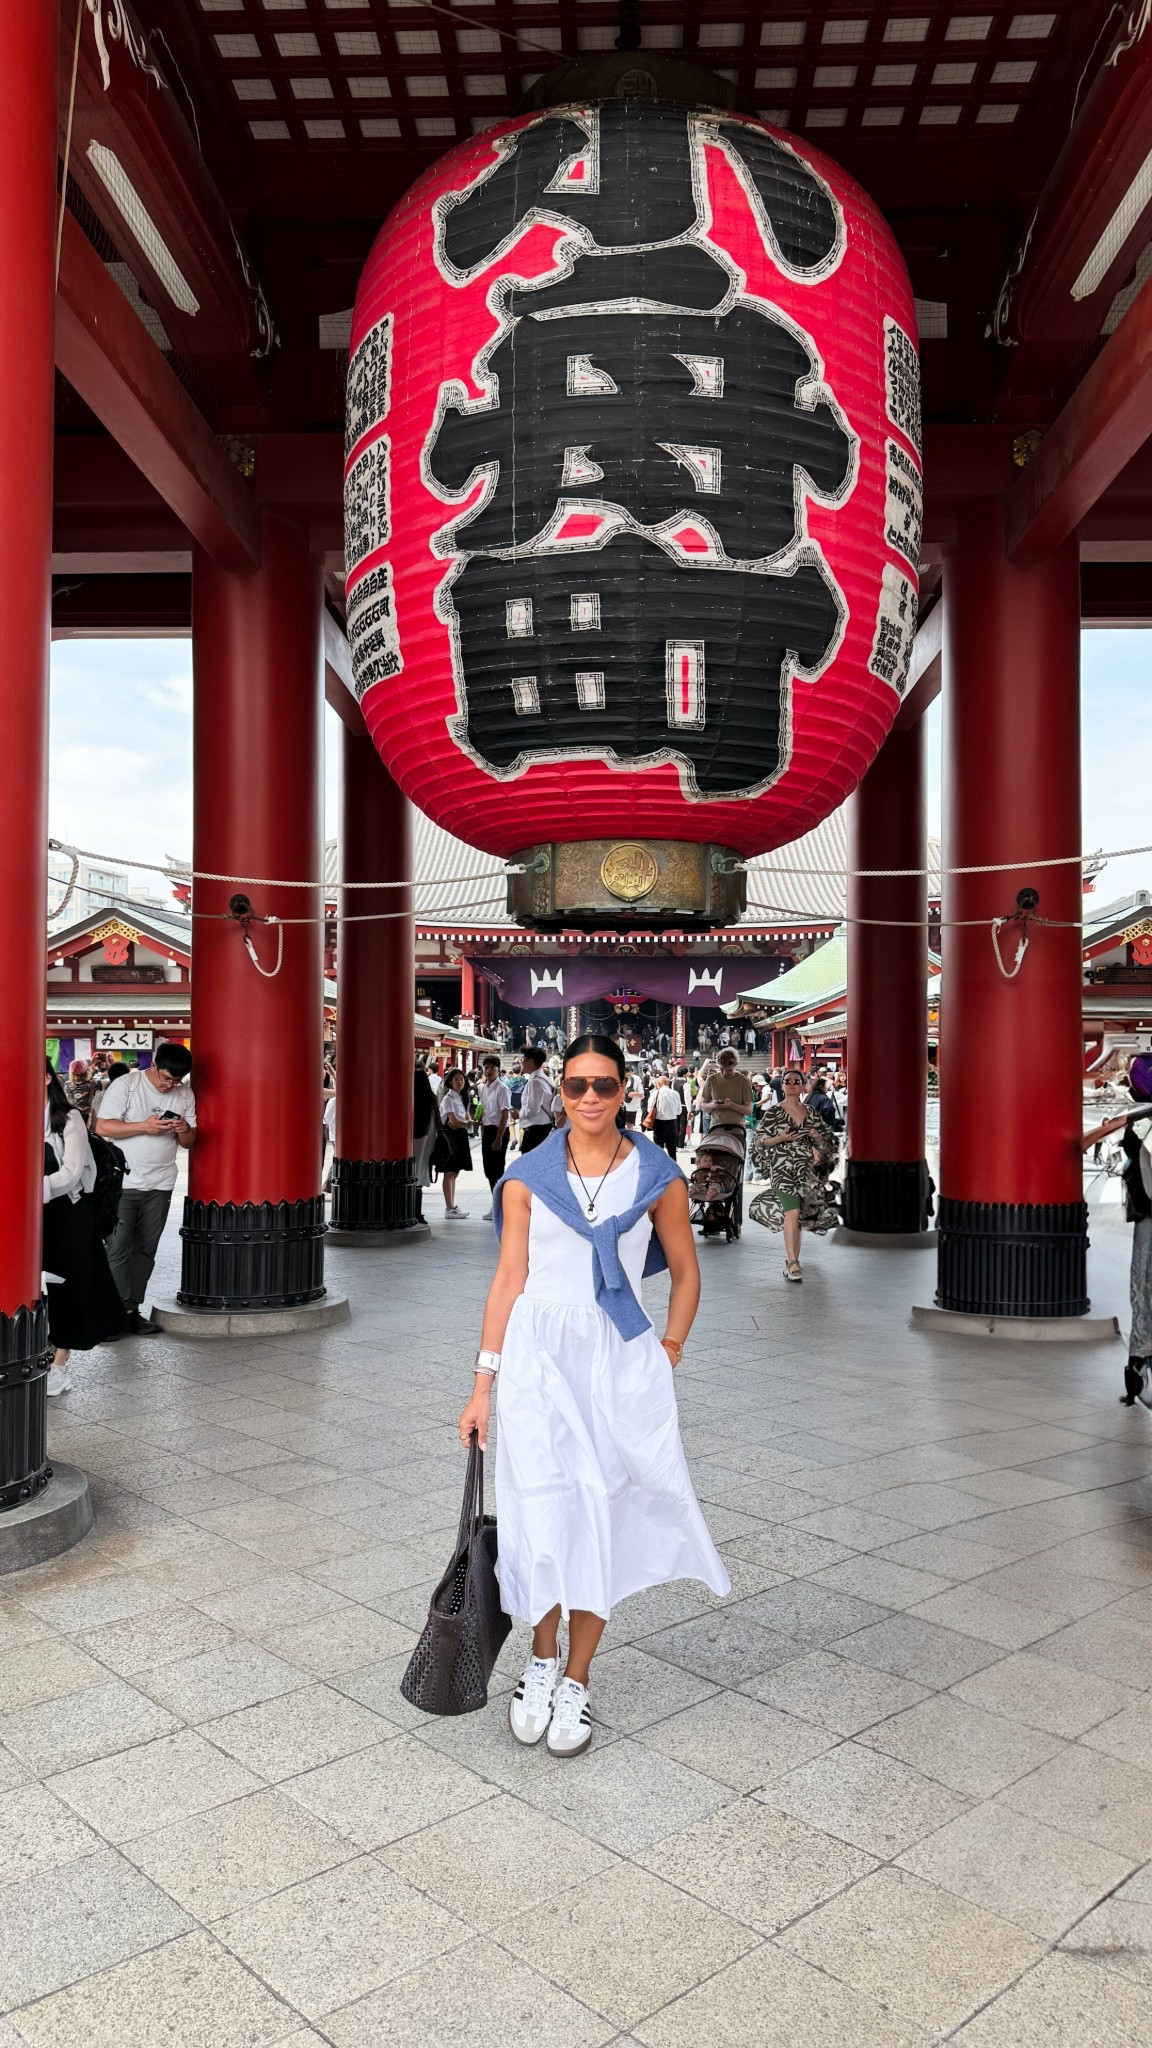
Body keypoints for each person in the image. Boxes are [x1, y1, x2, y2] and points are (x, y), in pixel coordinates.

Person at [457, 1034, 729, 1758]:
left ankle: (578, 1676)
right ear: (558, 1090)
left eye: (603, 1086)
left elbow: (686, 1271)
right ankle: (540, 1662)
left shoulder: (658, 1177)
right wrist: (482, 1385)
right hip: (537, 1359)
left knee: (602, 1512)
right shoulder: (525, 1179)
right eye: (576, 1085)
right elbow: (508, 1282)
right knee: (540, 1512)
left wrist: (665, 1352)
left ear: (624, 1091)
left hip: (618, 1356)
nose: (588, 1099)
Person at [96, 1043, 196, 1332]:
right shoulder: (127, 1084)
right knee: (117, 1247)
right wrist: (145, 1126)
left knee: (145, 1249)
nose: (170, 1085)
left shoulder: (184, 1093)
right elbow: (103, 1127)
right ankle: (110, 1313)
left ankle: (130, 1310)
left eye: (176, 1081)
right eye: (166, 1078)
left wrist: (183, 1130)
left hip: (161, 1183)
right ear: (154, 1066)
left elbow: (190, 1142)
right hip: (123, 1182)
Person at [43, 1060, 127, 1392]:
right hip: (29, 1213)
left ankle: (60, 1364)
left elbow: (72, 1172)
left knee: (70, 1286)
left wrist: (31, 1191)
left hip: (69, 1214)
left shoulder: (69, 1118)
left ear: (47, 1077)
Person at [1083, 1054, 1152, 1406]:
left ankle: (1139, 1362)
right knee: (1143, 1285)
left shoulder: (1138, 1117)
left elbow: (1092, 1138)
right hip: (1147, 1215)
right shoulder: (1139, 1117)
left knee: (1143, 1285)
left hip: (1147, 1216)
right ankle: (1140, 1362)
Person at [749, 1066, 838, 1281]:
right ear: (782, 1085)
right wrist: (780, 1138)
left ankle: (792, 1260)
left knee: (798, 1217)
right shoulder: (773, 1112)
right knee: (792, 1213)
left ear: (803, 1085)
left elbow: (827, 1141)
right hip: (782, 1168)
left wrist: (817, 1138)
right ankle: (792, 1261)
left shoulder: (811, 1111)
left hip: (806, 1170)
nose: (791, 1084)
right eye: (787, 1081)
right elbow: (760, 1142)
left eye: (796, 1081)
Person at [435, 1066, 473, 1218]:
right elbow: (454, 1122)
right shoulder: (448, 1099)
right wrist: (468, 1123)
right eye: (456, 1079)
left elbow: (461, 1120)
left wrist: (466, 1122)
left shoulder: (460, 1097)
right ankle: (449, 1207)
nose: (460, 1081)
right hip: (451, 1139)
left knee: (454, 1172)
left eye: (462, 1079)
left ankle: (452, 1205)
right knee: (449, 1172)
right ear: (449, 1082)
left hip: (459, 1137)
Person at [479, 1055, 511, 1220]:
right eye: (486, 1067)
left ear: (498, 1070)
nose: (489, 1070)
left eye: (492, 1067)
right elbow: (484, 1110)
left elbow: (505, 1113)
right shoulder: (484, 1087)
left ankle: (500, 1208)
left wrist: (498, 1139)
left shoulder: (502, 1088)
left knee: (497, 1170)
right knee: (489, 1170)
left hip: (499, 1131)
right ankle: (496, 1205)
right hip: (487, 1131)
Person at [699, 1047, 755, 1136]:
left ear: (735, 1066)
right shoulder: (712, 1079)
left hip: (737, 1128)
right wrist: (712, 1105)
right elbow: (703, 1106)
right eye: (722, 1069)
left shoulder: (743, 1081)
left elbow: (749, 1110)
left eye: (729, 1070)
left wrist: (731, 1105)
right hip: (716, 1128)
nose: (725, 1073)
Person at [518, 1047, 559, 1154]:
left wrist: (518, 1114)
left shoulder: (535, 1082)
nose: (521, 1062)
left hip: (535, 1130)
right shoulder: (544, 1078)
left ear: (530, 1061)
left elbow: (532, 1109)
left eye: (523, 1059)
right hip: (542, 1128)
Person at [413, 1059, 438, 1220]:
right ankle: (418, 1213)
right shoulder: (432, 1099)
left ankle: (409, 1212)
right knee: (420, 1178)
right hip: (428, 1142)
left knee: (411, 1177)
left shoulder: (411, 1101)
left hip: (414, 1141)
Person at [648, 1070, 682, 1160]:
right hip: (672, 1124)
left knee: (659, 1150)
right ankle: (674, 1170)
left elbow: (649, 1109)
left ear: (659, 1084)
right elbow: (679, 1111)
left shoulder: (655, 1094)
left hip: (659, 1124)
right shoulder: (675, 1093)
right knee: (672, 1150)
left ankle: (660, 1169)